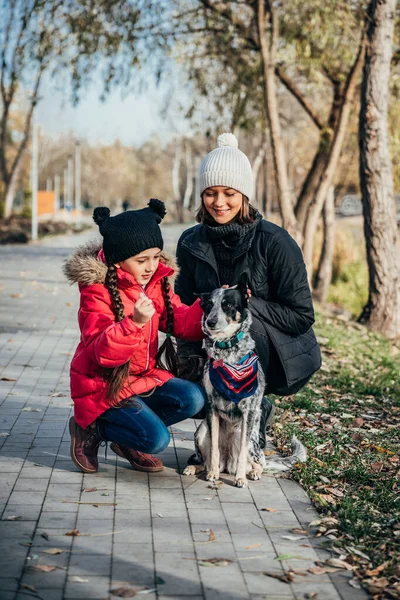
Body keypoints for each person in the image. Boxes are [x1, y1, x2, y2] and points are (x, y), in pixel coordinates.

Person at [175, 133, 321, 448]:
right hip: (212, 346)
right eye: (210, 193)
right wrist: (186, 361)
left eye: (229, 192)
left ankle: (257, 403)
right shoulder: (190, 242)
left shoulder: (275, 242)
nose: (218, 202)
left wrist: (248, 305)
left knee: (242, 319)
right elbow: (182, 305)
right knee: (191, 392)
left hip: (273, 351)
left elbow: (302, 315)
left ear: (244, 194)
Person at [64, 199, 206, 474]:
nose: (151, 266)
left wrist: (212, 305)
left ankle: (127, 434)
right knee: (156, 440)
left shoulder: (153, 284)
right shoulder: (97, 292)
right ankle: (92, 428)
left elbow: (182, 321)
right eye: (141, 260)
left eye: (155, 256)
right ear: (119, 259)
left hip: (142, 380)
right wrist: (135, 323)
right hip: (104, 388)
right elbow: (102, 353)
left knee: (193, 398)